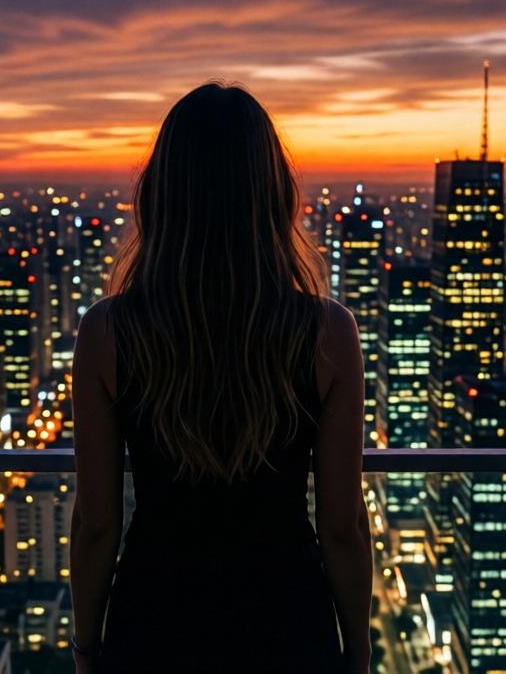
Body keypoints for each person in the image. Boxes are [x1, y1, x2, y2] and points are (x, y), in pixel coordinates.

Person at [69, 82, 373, 673]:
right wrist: (357, 654)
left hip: (154, 627)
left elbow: (97, 523)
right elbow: (342, 526)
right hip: (288, 629)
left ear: (159, 193)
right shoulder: (327, 333)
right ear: (275, 193)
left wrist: (86, 649)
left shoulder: (106, 333)